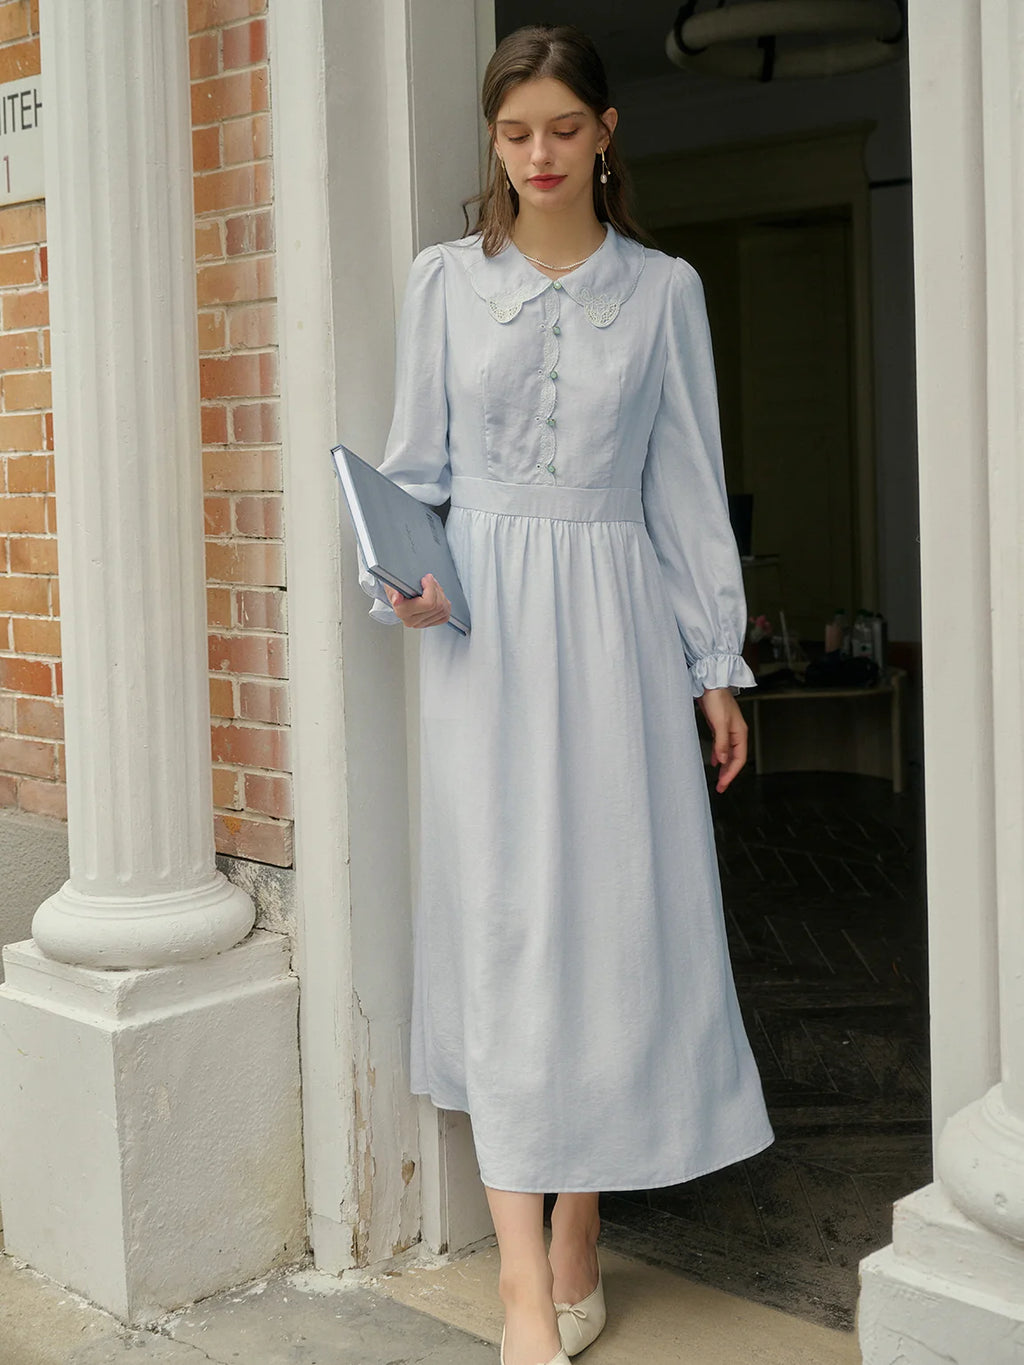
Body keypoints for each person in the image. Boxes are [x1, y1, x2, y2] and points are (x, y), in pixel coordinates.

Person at [356, 23, 775, 1365]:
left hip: (618, 631)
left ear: (606, 132)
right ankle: (526, 1287)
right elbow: (414, 471)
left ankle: (582, 1220)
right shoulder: (442, 282)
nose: (537, 155)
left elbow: (688, 496)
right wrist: (406, 580)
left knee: (611, 926)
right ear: (495, 140)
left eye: (561, 128)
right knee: (505, 933)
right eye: (513, 131)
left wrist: (716, 662)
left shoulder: (664, 294)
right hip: (483, 638)